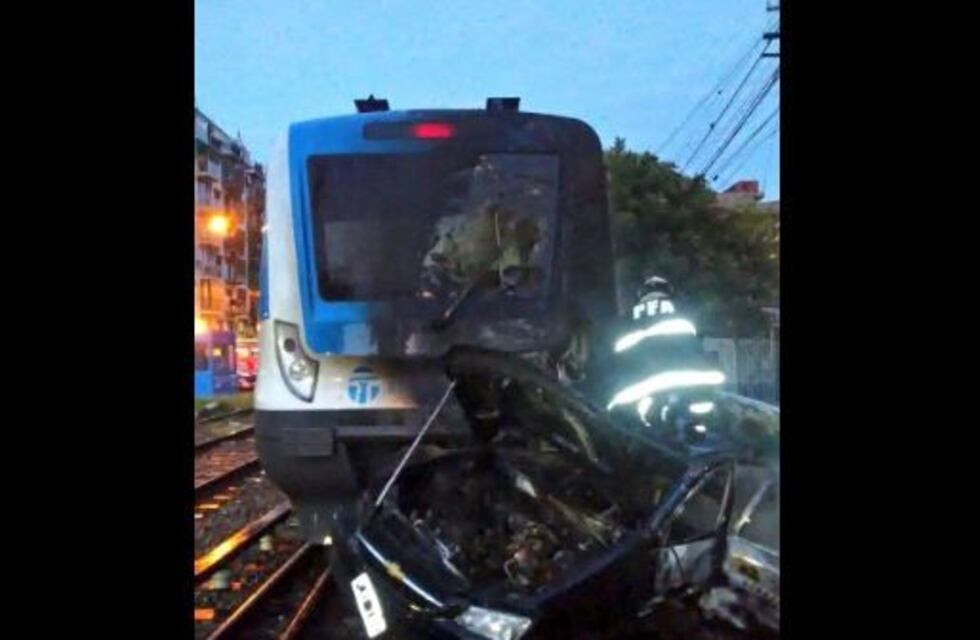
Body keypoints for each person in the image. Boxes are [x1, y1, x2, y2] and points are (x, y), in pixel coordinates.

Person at [606, 276, 726, 448]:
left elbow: (616, 355)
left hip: (644, 383)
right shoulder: (684, 309)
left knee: (637, 418)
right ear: (668, 292)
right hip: (694, 377)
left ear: (641, 295)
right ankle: (697, 430)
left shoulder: (626, 319)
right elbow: (700, 336)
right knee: (701, 404)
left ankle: (655, 433)